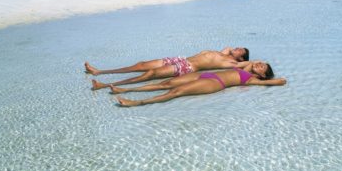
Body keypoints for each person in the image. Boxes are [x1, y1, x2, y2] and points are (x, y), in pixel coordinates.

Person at [113, 61, 286, 107]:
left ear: (263, 74)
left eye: (262, 67)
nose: (259, 64)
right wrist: (255, 64)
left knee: (176, 92)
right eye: (260, 63)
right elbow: (249, 63)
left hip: (215, 82)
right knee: (167, 83)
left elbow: (278, 82)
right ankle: (126, 89)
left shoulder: (251, 79)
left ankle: (136, 102)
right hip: (205, 74)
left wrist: (272, 80)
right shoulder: (247, 68)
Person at [86, 47, 249, 90]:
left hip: (188, 66)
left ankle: (106, 85)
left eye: (241, 50)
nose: (237, 47)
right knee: (141, 65)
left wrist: (241, 59)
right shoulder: (223, 52)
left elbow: (249, 63)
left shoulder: (232, 63)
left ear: (241, 58)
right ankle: (100, 71)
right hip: (181, 59)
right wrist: (233, 52)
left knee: (150, 74)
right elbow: (228, 48)